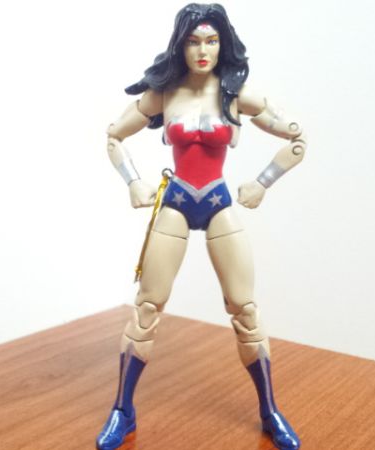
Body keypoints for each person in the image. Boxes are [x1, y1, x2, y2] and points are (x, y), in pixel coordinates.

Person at [98, 4, 307, 450]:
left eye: (211, 40)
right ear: (181, 45)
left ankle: (269, 410)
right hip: (176, 203)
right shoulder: (164, 93)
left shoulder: (235, 93)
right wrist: (133, 182)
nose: (202, 50)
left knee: (244, 309)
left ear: (222, 44)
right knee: (146, 308)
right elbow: (114, 135)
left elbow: (297, 139)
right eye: (193, 41)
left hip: (217, 202)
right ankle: (123, 409)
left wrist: (263, 182)